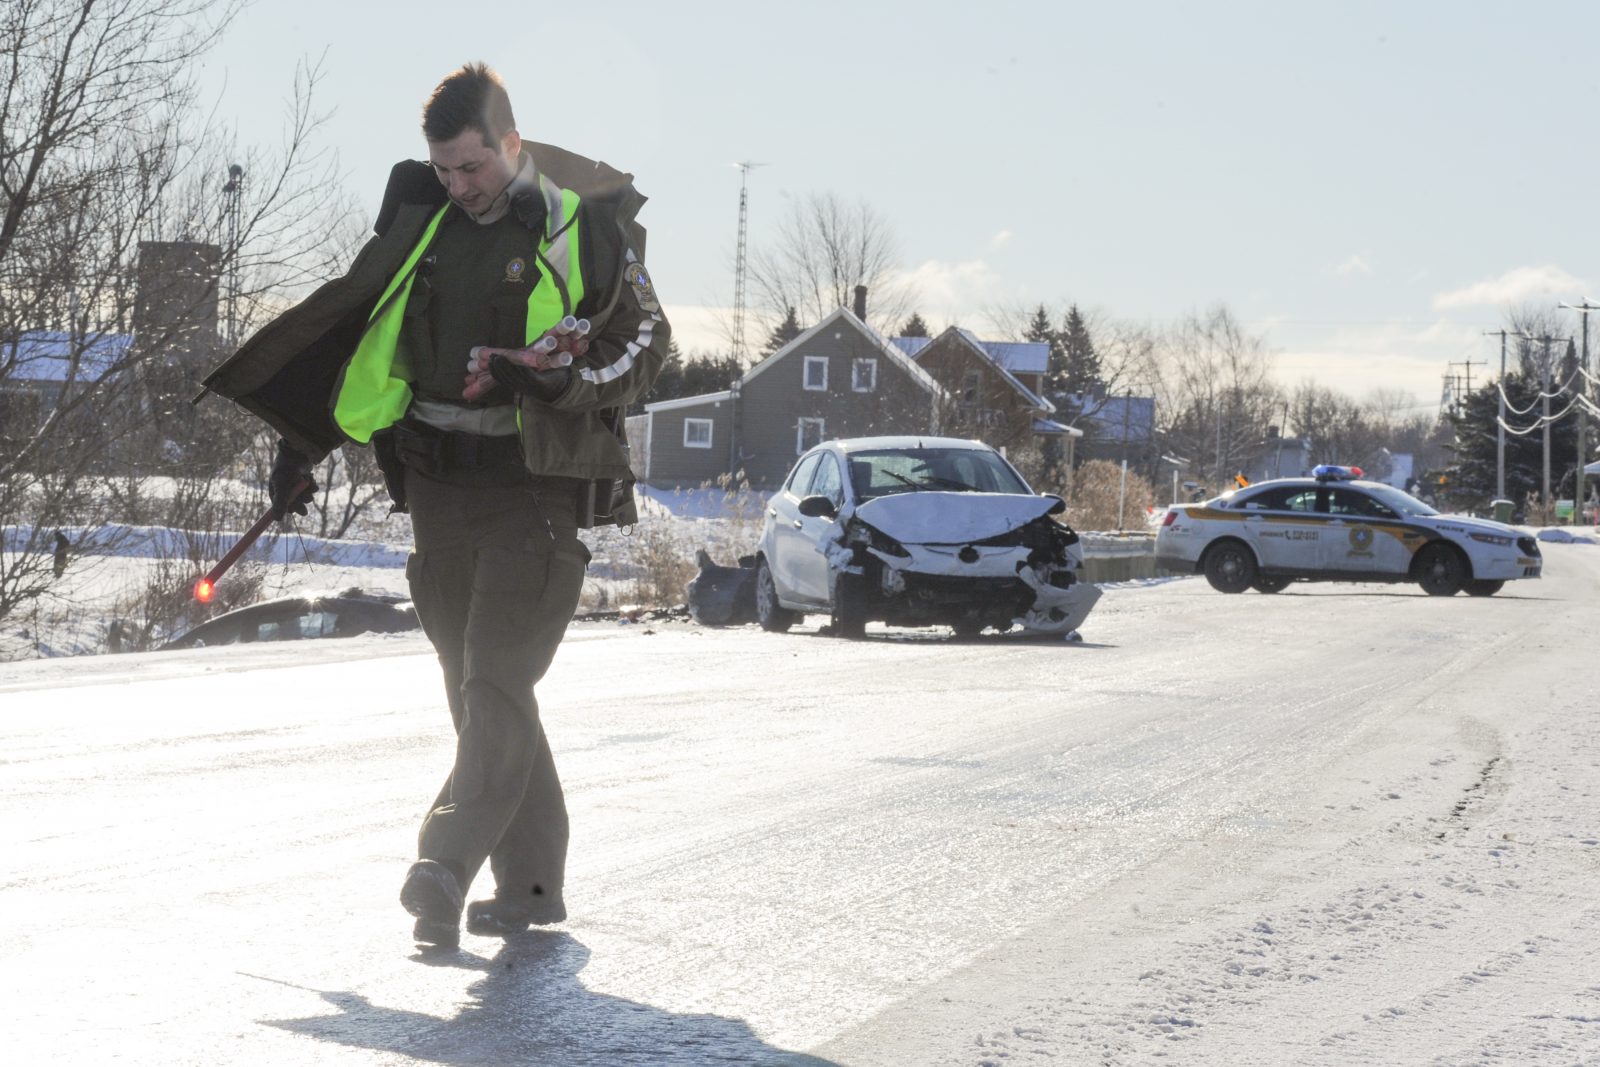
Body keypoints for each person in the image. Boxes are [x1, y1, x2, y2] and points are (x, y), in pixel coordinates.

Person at [202, 63, 668, 948]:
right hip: (438, 487)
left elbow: (647, 343)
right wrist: (298, 447)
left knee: (496, 677)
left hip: (534, 490)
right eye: (446, 169)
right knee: (479, 692)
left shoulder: (582, 226)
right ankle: (531, 886)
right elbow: (360, 337)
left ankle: (442, 863)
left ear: (511, 143)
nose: (460, 186)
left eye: (472, 166)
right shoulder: (422, 225)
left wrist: (567, 378)